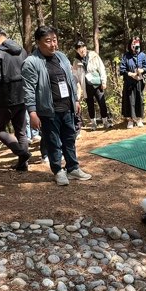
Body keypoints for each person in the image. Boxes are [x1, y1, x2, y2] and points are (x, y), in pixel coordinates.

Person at [22, 26, 92, 186]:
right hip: (48, 110)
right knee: (53, 142)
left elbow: (70, 79)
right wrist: (32, 112)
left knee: (69, 139)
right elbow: (28, 90)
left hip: (66, 106)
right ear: (38, 42)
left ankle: (73, 168)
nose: (53, 44)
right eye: (48, 41)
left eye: (54, 40)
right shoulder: (31, 62)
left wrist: (75, 100)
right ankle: (58, 171)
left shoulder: (61, 57)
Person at [0, 25, 30, 171]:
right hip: (23, 95)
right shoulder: (21, 51)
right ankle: (23, 165)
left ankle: (22, 153)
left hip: (6, 98)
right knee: (21, 131)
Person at [73, 41, 110, 130]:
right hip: (86, 86)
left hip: (97, 84)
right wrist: (78, 89)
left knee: (102, 103)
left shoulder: (94, 56)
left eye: (83, 47)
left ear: (86, 47)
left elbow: (101, 68)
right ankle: (93, 123)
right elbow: (75, 77)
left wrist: (104, 81)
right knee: (90, 105)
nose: (82, 50)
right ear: (77, 50)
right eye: (80, 48)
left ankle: (105, 121)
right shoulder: (76, 62)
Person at [119, 36, 146, 129]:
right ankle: (130, 120)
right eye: (133, 43)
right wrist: (131, 74)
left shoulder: (142, 55)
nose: (134, 45)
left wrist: (141, 70)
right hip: (129, 82)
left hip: (139, 82)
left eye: (136, 43)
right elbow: (122, 69)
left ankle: (139, 119)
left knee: (139, 100)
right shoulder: (126, 56)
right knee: (129, 100)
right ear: (130, 45)